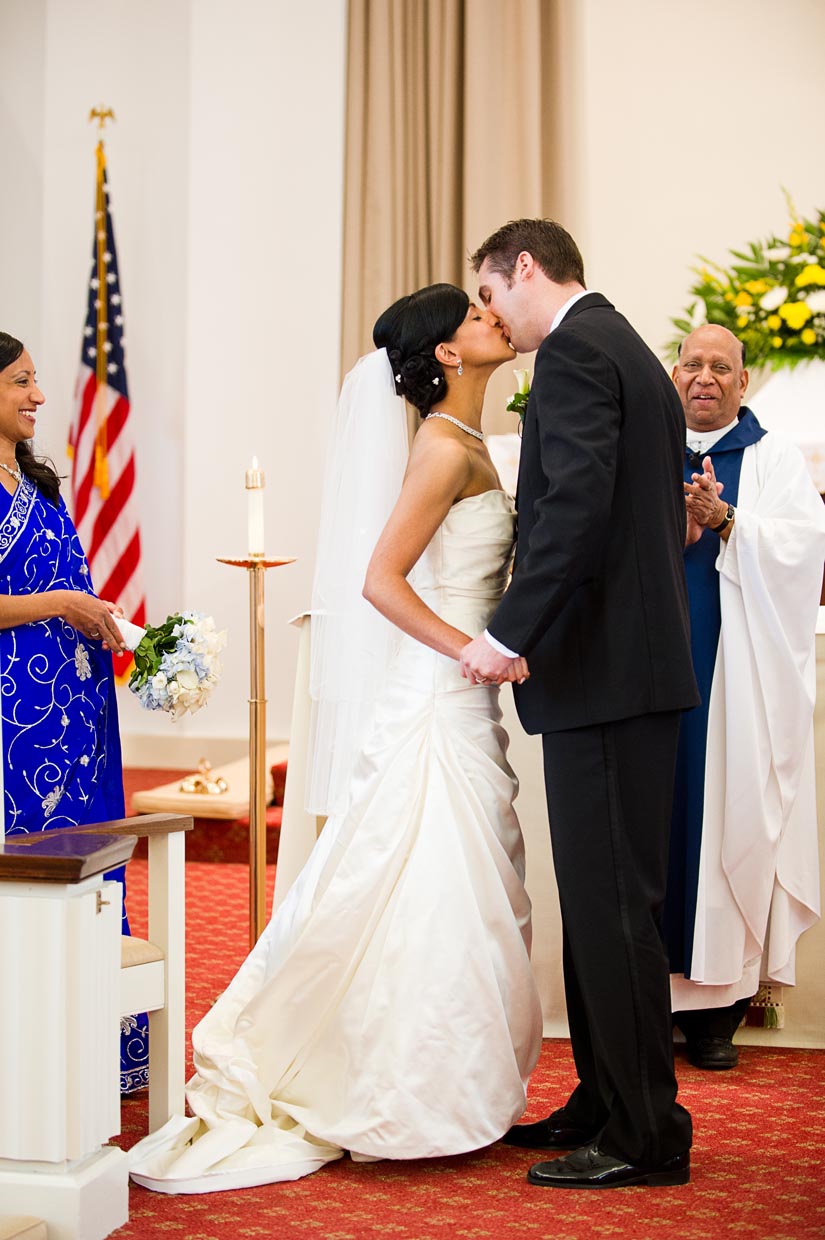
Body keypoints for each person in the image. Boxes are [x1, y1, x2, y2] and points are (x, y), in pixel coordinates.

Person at [128, 284, 543, 1194]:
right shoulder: (441, 446)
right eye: (475, 318)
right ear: (445, 352)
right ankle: (404, 1089)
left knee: (455, 885)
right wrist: (471, 649)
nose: (493, 321)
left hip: (452, 695)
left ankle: (446, 1083)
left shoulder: (468, 439)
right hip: (438, 693)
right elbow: (381, 582)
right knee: (430, 882)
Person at [461, 219, 699, 1190]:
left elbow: (577, 509)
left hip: (607, 676)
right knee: (606, 908)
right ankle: (605, 1097)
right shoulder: (624, 346)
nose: (491, 316)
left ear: (526, 268)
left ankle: (646, 1132)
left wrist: (507, 633)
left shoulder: (572, 353)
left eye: (490, 294)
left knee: (614, 911)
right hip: (628, 673)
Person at [666, 323, 825, 1069]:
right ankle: (647, 1001)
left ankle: (715, 1013)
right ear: (674, 376)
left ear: (743, 381)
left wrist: (726, 520)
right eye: (692, 364)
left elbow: (804, 548)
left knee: (729, 817)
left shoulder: (771, 460)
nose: (705, 377)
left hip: (736, 679)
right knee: (653, 823)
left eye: (720, 368)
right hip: (651, 670)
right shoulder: (643, 449)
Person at [0, 330, 149, 1092]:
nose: (38, 395)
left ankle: (96, 1046)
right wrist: (61, 603)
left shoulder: (38, 484)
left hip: (75, 699)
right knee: (34, 863)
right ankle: (31, 1048)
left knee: (91, 856)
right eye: (21, 381)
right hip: (13, 716)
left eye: (37, 379)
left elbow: (68, 583)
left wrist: (101, 616)